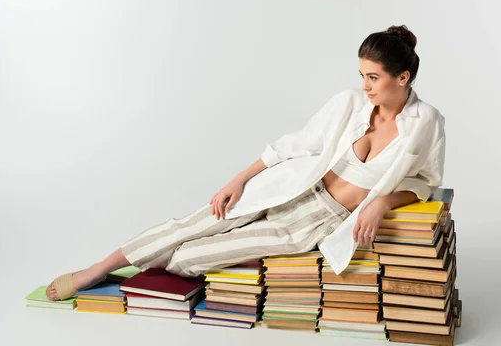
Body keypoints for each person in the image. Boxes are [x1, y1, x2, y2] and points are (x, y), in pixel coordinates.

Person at [46, 24, 446, 301]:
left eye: (373, 77)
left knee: (189, 257)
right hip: (293, 185)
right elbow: (296, 144)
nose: (364, 85)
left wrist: (380, 202)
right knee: (188, 225)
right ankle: (96, 270)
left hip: (317, 222)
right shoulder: (350, 102)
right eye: (362, 75)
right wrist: (239, 179)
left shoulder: (425, 123)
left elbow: (427, 180)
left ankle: (165, 265)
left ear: (403, 77)